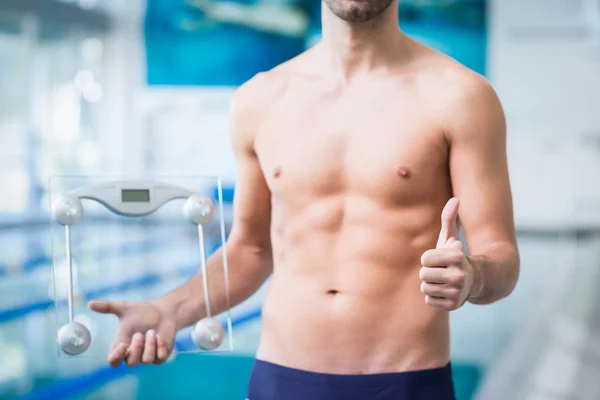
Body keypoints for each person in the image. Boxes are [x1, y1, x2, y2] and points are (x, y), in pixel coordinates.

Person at [89, 0, 520, 398]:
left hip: (405, 379)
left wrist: (473, 277)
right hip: (283, 376)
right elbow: (251, 250)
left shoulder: (460, 96)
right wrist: (168, 311)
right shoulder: (259, 100)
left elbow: (499, 253)